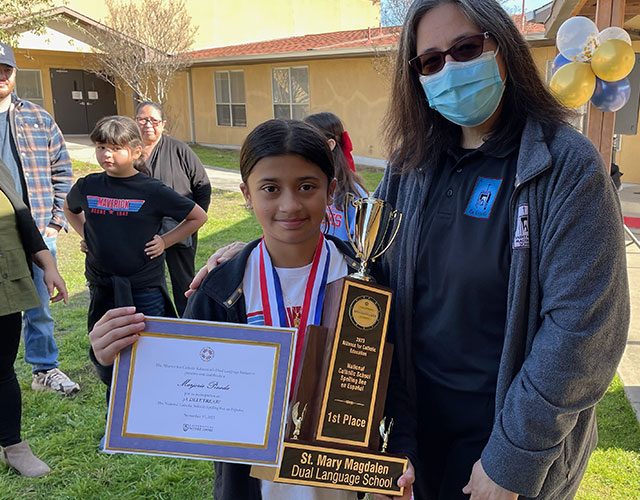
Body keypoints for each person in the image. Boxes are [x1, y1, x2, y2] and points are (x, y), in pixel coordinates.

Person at [191, 1, 629, 498]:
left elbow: (585, 329)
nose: (451, 69)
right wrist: (254, 254)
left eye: (466, 49)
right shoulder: (412, 162)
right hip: (411, 433)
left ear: (503, 47)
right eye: (431, 61)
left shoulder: (565, 167)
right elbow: (364, 255)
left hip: (501, 443)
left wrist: (514, 456)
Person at [88, 119, 413, 500]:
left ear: (331, 191)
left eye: (307, 187)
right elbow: (175, 392)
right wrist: (110, 360)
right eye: (270, 189)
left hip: (350, 481)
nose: (289, 204)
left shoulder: (367, 285)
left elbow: (399, 384)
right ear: (246, 195)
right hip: (252, 486)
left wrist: (402, 452)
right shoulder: (220, 291)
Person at [63, 116, 207, 397]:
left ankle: (156, 402)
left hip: (144, 288)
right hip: (102, 285)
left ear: (136, 151)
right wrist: (87, 238)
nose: (106, 154)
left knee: (152, 350)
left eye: (115, 148)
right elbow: (71, 210)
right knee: (109, 354)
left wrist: (165, 241)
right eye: (101, 147)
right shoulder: (89, 185)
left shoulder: (151, 190)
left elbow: (197, 216)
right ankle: (116, 412)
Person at [0, 41, 79, 395]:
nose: (0, 76)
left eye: (6, 70)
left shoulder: (37, 118)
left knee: (39, 306)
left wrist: (53, 223)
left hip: (36, 230)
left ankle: (44, 370)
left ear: (14, 73)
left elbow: (63, 171)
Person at [0, 158, 68, 477]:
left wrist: (48, 266)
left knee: (2, 370)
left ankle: (13, 448)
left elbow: (22, 218)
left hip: (5, 283)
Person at [135, 101, 212, 316]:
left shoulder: (179, 149)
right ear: (135, 122)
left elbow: (202, 186)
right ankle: (160, 324)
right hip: (144, 234)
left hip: (180, 229)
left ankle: (189, 323)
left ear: (163, 124)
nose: (148, 124)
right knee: (149, 284)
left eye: (153, 120)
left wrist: (193, 221)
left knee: (184, 282)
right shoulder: (131, 153)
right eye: (142, 119)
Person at [304, 112, 368, 242]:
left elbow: (361, 246)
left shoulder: (355, 195)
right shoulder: (304, 187)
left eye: (307, 141)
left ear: (330, 145)